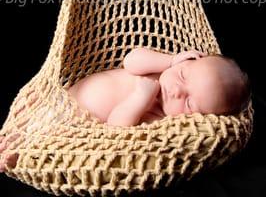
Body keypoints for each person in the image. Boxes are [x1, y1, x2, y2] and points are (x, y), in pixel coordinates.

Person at [0, 47, 251, 172]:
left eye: (189, 103)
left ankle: (17, 157)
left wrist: (140, 99)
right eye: (183, 76)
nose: (176, 90)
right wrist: (170, 60)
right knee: (24, 115)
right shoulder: (161, 68)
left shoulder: (160, 119)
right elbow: (130, 59)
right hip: (60, 98)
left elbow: (116, 127)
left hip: (71, 127)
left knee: (32, 142)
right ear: (188, 59)